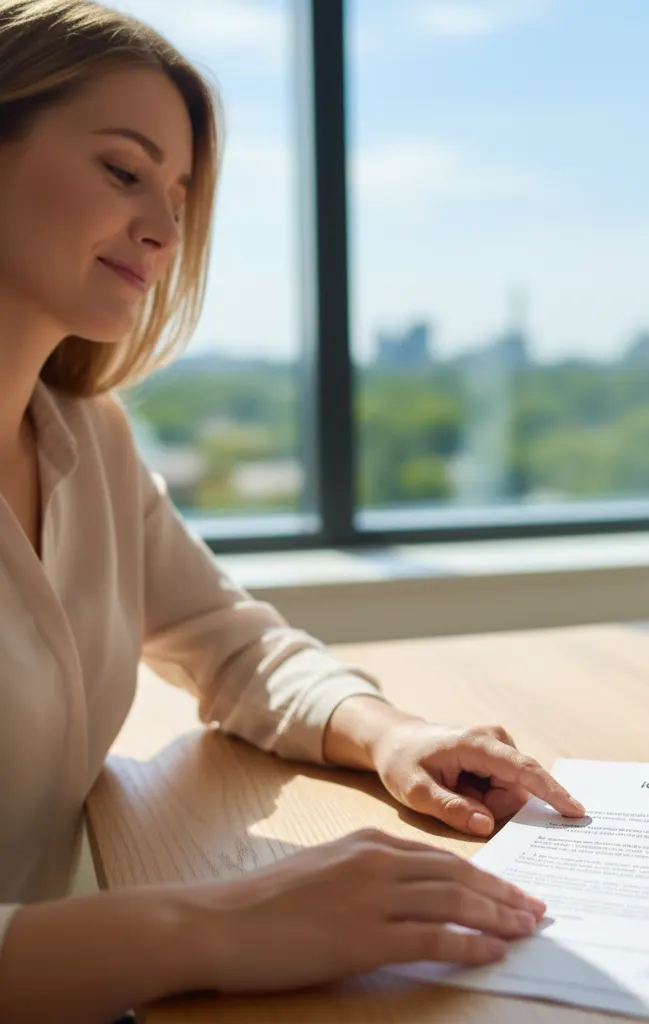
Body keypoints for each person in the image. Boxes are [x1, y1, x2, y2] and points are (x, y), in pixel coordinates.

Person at [0, 1, 587, 1019]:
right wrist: (218, 923)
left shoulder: (89, 440)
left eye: (179, 197)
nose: (166, 230)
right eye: (124, 170)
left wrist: (391, 734)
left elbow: (228, 641)